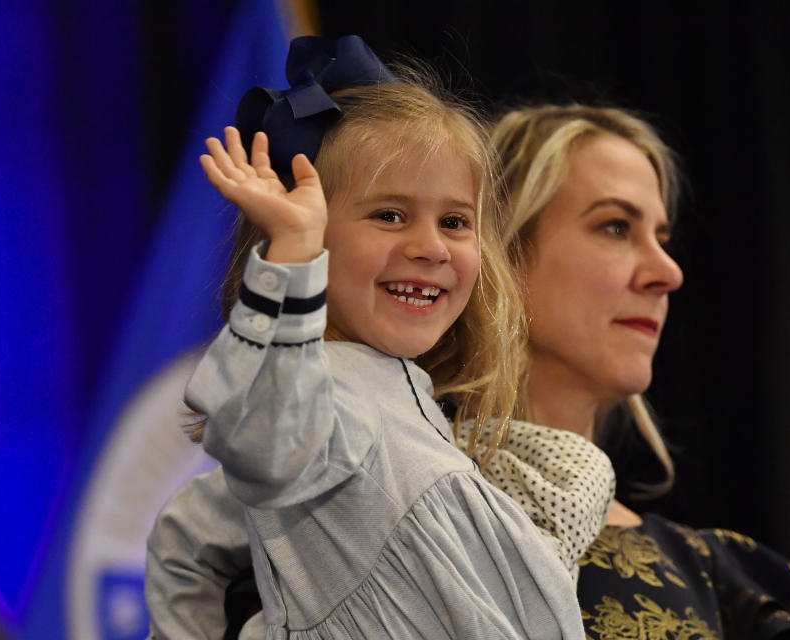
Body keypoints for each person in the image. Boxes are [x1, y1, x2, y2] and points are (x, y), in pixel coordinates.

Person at [170, 35, 591, 639]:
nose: (429, 246)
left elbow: (184, 545)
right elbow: (261, 430)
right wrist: (292, 255)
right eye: (389, 215)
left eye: (454, 221)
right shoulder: (323, 393)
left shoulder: (400, 403)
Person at [488, 104, 790, 639]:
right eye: (616, 227)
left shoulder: (723, 581)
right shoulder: (404, 508)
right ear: (503, 253)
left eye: (661, 238)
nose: (669, 272)